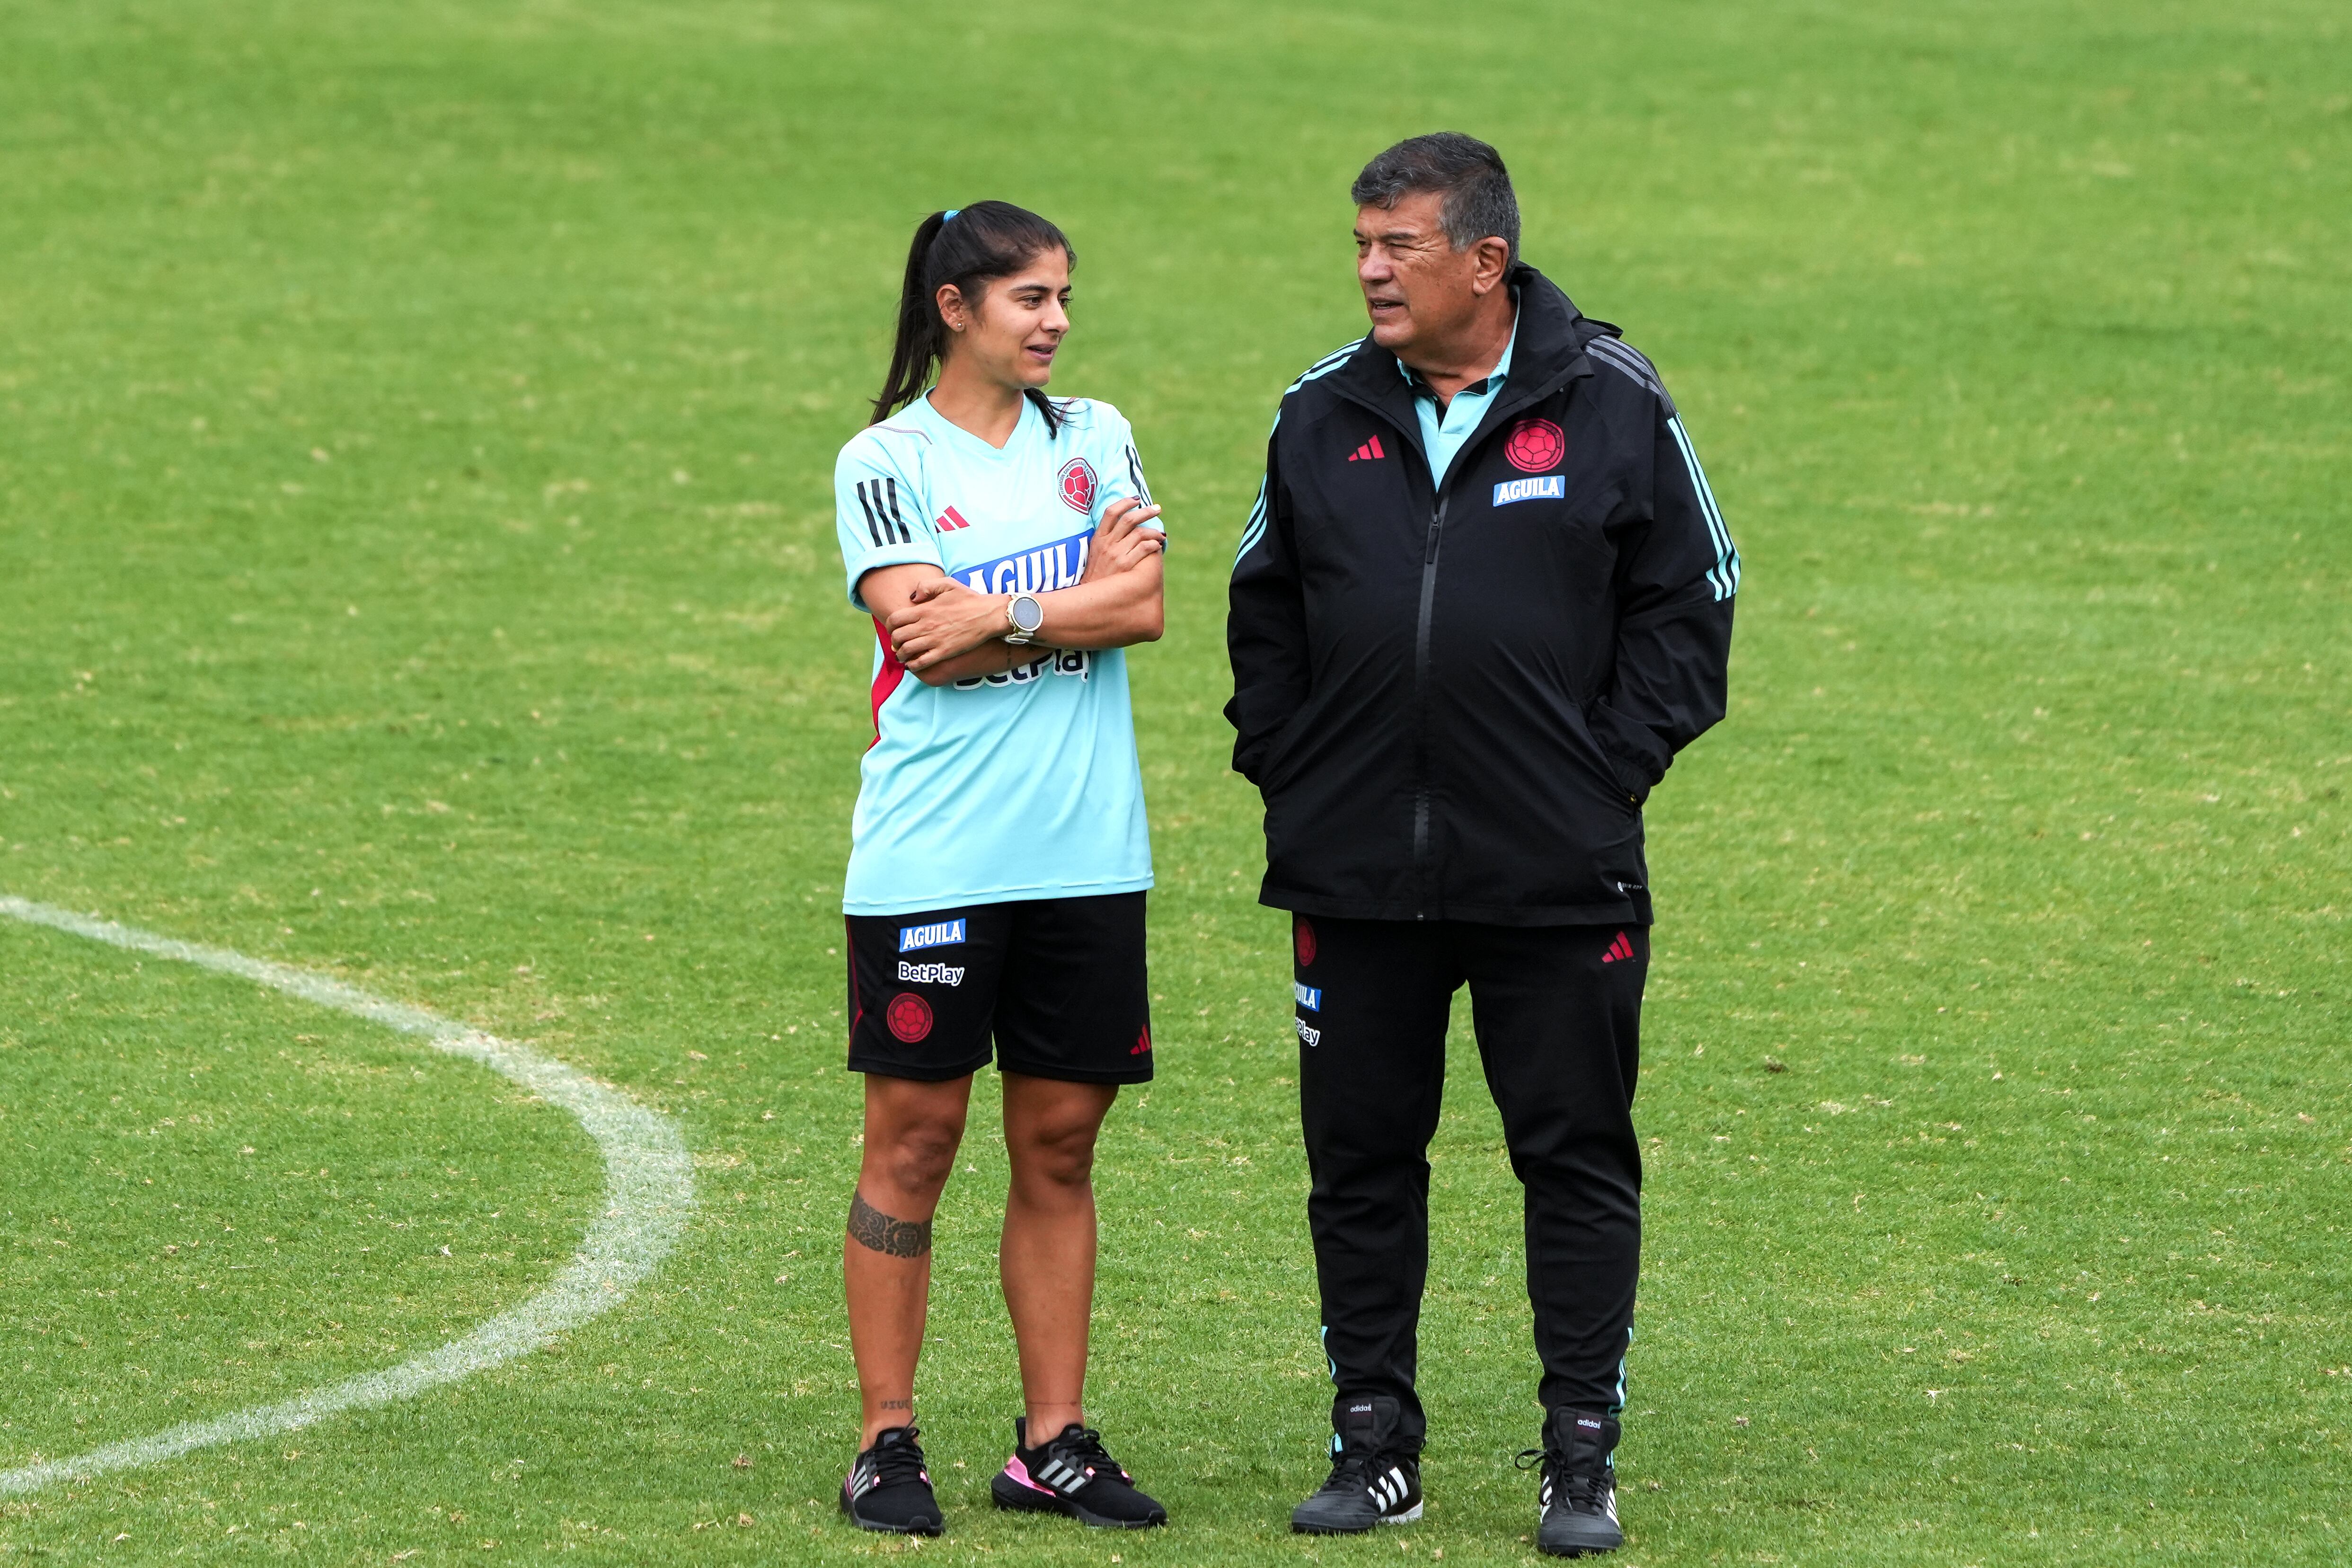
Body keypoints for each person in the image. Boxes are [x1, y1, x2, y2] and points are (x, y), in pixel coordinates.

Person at [1225, 133, 1738, 1556]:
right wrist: (1296, 779)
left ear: (1484, 262)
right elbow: (1260, 616)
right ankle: (1372, 1440)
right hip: (1354, 874)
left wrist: (1593, 783)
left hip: (1555, 877)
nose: (1369, 270)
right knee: (1360, 1162)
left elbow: (1692, 609)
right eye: (1360, 245)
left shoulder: (1612, 402)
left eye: (1396, 245)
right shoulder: (1318, 412)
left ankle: (1580, 1455)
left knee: (1572, 1155)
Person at [830, 201, 1171, 1536]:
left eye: (1064, 296)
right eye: (1029, 297)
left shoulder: (1095, 437)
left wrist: (1006, 611)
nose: (1057, 320)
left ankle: (1051, 1441)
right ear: (954, 308)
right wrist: (1050, 608)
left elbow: (1138, 605)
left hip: (1087, 851)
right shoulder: (885, 461)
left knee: (1062, 1141)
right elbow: (921, 644)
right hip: (933, 854)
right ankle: (884, 1434)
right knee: (914, 1141)